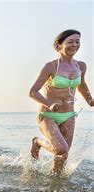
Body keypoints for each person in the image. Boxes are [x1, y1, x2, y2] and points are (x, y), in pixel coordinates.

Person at [29, 29, 93, 173]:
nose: (75, 45)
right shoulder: (51, 66)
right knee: (61, 148)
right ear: (58, 46)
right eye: (70, 42)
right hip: (48, 115)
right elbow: (32, 91)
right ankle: (37, 142)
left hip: (69, 115)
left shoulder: (81, 66)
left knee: (63, 156)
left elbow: (82, 85)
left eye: (77, 42)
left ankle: (55, 187)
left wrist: (90, 100)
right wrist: (49, 104)